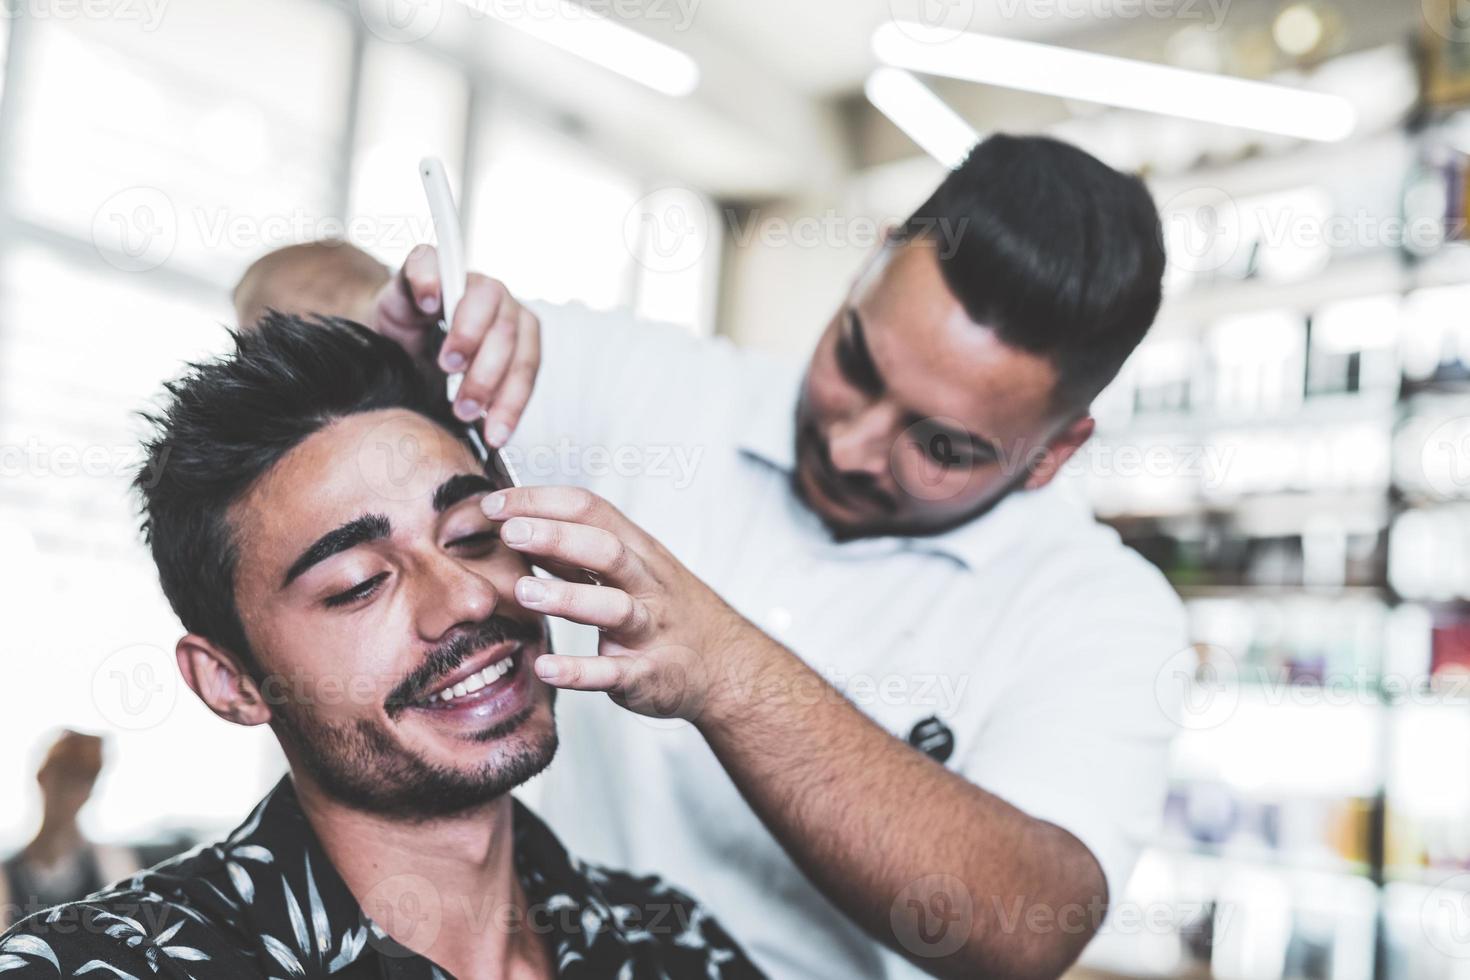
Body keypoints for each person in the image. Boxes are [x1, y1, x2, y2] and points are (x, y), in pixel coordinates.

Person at [232, 133, 1187, 980]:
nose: (853, 446)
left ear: (1054, 453)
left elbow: (1023, 932)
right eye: (856, 362)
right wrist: (374, 324)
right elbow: (270, 291)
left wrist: (725, 671)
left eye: (941, 447)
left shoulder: (1099, 611)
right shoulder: (643, 392)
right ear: (870, 265)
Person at [0, 315, 761, 980]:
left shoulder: (672, 943)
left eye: (472, 536)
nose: (467, 595)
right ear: (231, 682)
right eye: (359, 583)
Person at [0, 731, 142, 930]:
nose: (70, 793)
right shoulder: (6, 874)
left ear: (90, 792)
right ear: (42, 778)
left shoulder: (111, 863)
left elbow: (133, 934)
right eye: (64, 776)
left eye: (83, 781)